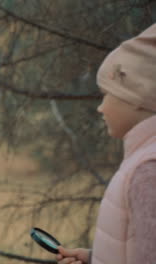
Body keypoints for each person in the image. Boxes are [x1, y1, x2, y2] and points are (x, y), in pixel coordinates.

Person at [56, 24, 156, 264]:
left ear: (137, 99)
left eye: (106, 94)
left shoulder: (148, 171)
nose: (100, 107)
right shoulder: (143, 160)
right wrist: (95, 258)